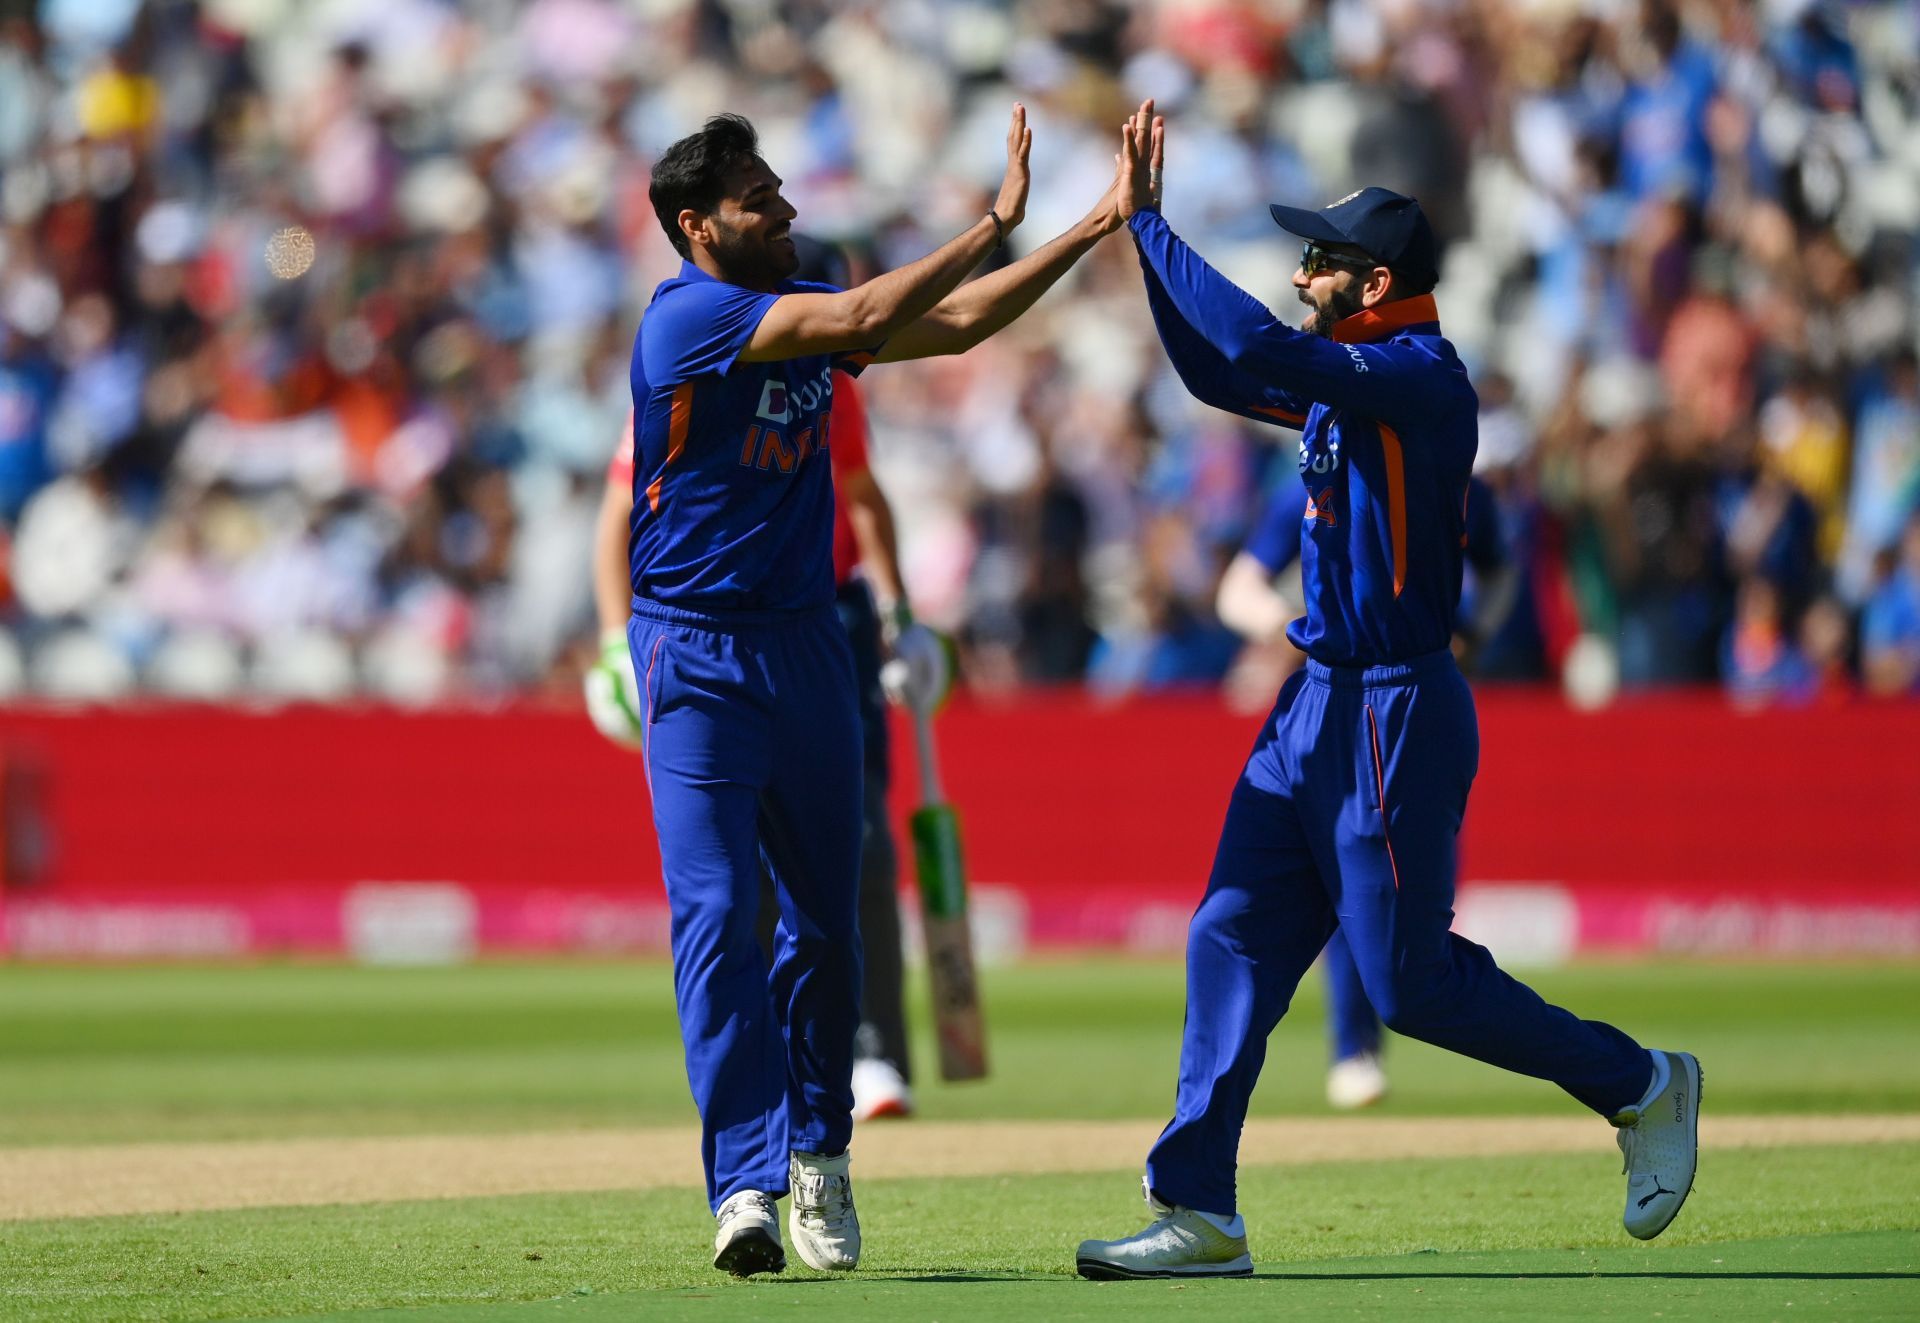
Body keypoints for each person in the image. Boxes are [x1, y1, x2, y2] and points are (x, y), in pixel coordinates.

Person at [1075, 103, 1700, 1281]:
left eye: (1321, 259)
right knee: (1229, 937)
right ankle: (1199, 1206)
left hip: (1391, 713)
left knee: (1408, 986)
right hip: (1313, 703)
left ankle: (1643, 1082)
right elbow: (1220, 370)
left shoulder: (1418, 380)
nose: (1302, 270)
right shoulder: (1348, 375)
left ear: (1370, 285)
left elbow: (1255, 348)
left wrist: (1152, 229)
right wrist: (1135, 241)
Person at [627, 108, 1122, 1279]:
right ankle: (742, 1188)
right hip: (693, 654)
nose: (789, 208)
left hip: (806, 650)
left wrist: (1092, 225)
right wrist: (992, 218)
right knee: (714, 923)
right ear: (699, 228)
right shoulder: (690, 317)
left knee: (829, 928)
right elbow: (859, 314)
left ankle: (820, 1154)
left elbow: (951, 326)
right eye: (761, 199)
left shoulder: (803, 319)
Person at [586, 245, 938, 1126]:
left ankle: (870, 1051)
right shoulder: (697, 362)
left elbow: (862, 494)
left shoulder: (834, 378)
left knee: (854, 847)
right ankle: (779, 1069)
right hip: (713, 628)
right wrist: (607, 646)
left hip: (828, 624)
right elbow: (620, 512)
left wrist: (898, 610)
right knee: (733, 876)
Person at [1216, 471, 1515, 1110]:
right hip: (1336, 701)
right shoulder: (1305, 476)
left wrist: (1479, 632)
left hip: (1420, 695)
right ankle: (1353, 1048)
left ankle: (1618, 1072)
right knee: (1339, 880)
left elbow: (1501, 569)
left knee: (1408, 911)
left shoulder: (1459, 482)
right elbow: (1237, 590)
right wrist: (1293, 629)